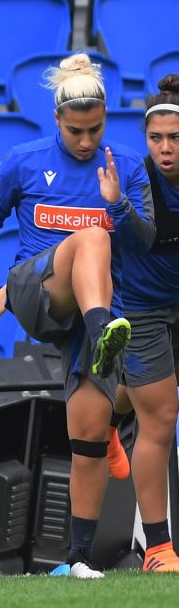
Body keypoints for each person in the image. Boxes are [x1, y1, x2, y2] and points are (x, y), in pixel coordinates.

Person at [0, 53, 153, 578]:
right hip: (36, 290)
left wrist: (121, 207)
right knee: (89, 238)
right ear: (57, 121)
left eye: (95, 130)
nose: (85, 142)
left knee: (87, 432)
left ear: (106, 119)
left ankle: (78, 560)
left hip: (99, 304)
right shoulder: (24, 159)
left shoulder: (127, 167)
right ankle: (102, 336)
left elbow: (149, 244)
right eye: (75, 131)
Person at [99, 76, 179, 573]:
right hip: (143, 310)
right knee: (162, 420)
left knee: (151, 396)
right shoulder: (133, 179)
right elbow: (128, 238)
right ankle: (159, 549)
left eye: (175, 138)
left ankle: (110, 410)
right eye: (157, 139)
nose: (166, 148)